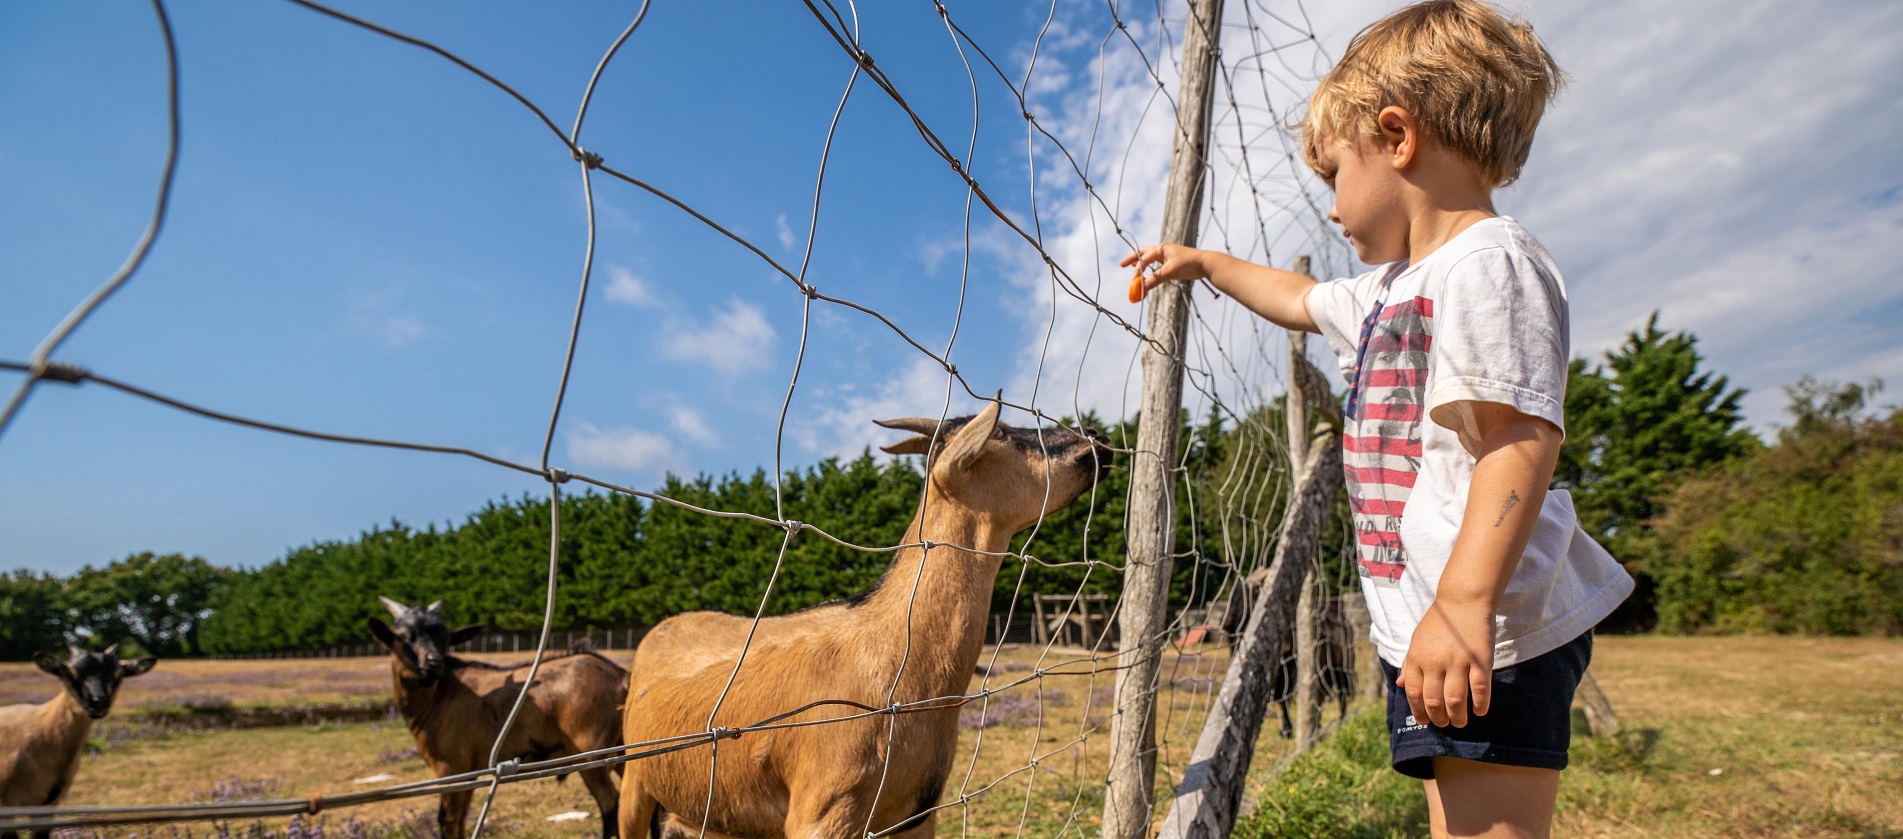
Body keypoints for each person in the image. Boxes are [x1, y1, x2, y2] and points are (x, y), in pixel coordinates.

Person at [1120, 1, 1632, 836]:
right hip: (1434, 620)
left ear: (1397, 138)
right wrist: (1205, 262)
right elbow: (1296, 297)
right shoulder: (1391, 288)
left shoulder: (1487, 265)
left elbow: (1516, 434)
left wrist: (1464, 601)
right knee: (1453, 817)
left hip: (1487, 624)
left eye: (1331, 175)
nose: (1328, 207)